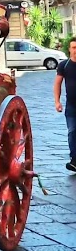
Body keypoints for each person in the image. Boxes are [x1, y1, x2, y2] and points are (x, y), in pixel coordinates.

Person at [54, 37, 76, 171]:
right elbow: (57, 83)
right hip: (71, 106)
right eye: (73, 48)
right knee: (72, 132)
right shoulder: (64, 65)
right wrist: (57, 101)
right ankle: (74, 160)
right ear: (69, 49)